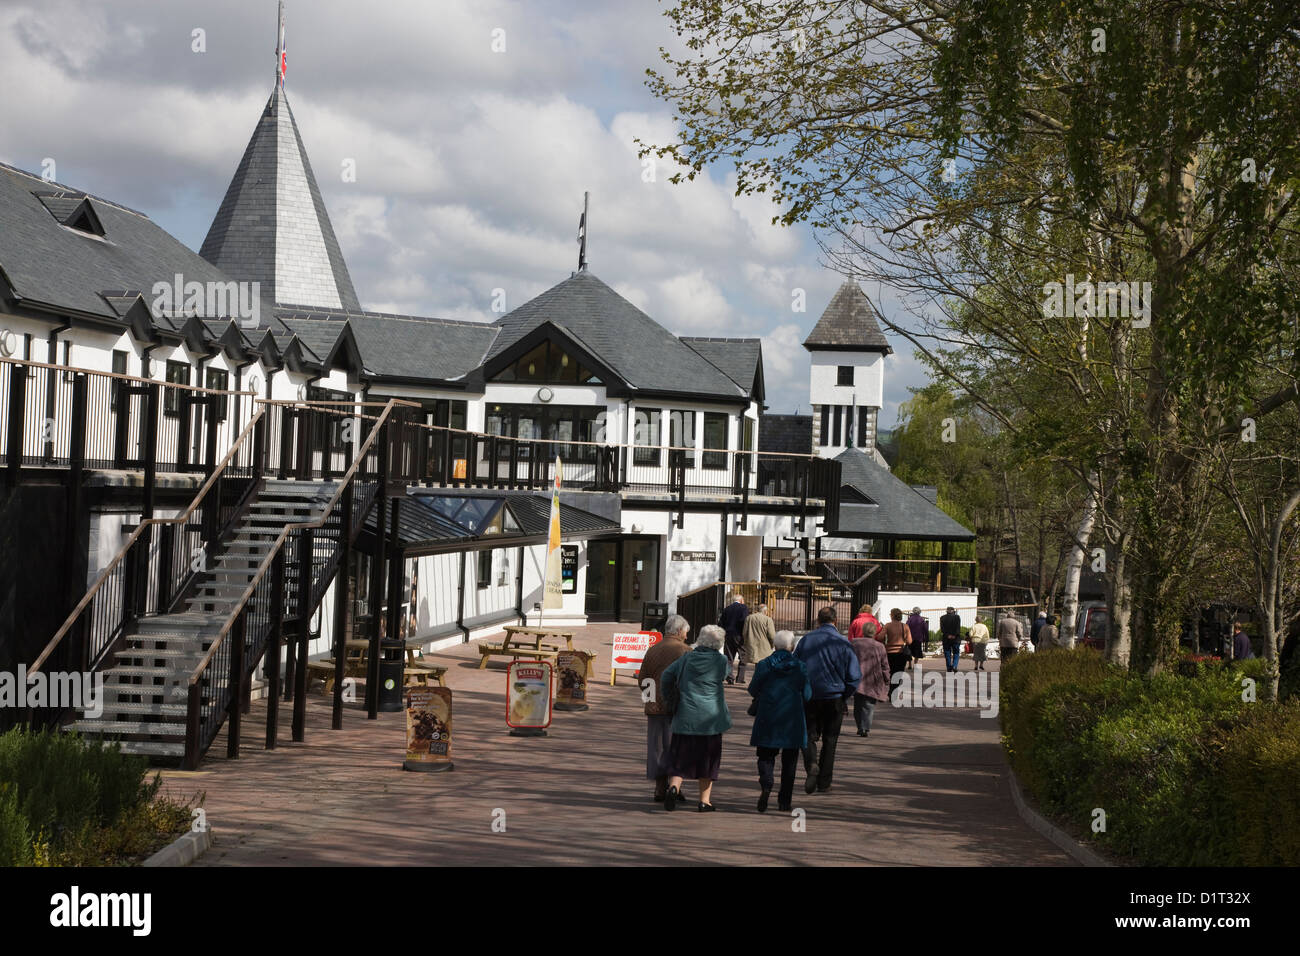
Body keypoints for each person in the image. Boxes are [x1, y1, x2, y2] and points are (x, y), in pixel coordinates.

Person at [660, 624, 733, 811]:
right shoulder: (721, 661)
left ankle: (674, 788)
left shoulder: (686, 658)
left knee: (679, 756)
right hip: (711, 718)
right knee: (708, 760)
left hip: (686, 715)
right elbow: (724, 675)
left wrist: (669, 697)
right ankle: (704, 801)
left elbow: (666, 676)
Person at [792, 607, 861, 793]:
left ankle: (811, 764)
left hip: (810, 696)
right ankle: (824, 782)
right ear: (836, 621)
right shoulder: (843, 643)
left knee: (808, 735)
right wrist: (844, 695)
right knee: (831, 740)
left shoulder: (806, 640)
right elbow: (854, 677)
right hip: (834, 697)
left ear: (817, 621)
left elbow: (795, 666)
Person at [748, 630, 812, 812]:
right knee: (790, 761)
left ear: (774, 646)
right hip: (792, 717)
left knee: (765, 755)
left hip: (768, 715)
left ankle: (767, 785)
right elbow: (807, 694)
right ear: (792, 647)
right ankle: (785, 801)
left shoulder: (764, 665)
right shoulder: (800, 666)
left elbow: (753, 689)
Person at [639, 614, 692, 802]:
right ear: (679, 632)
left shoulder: (652, 650)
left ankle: (660, 788)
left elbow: (643, 679)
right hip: (677, 708)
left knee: (657, 748)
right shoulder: (685, 651)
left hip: (655, 709)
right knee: (676, 748)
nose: (686, 636)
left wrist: (650, 701)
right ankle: (674, 786)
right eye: (685, 632)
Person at [850, 619, 890, 737]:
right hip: (873, 678)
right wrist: (887, 678)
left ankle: (860, 726)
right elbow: (884, 665)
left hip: (857, 677)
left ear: (863, 631)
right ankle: (865, 727)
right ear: (874, 632)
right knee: (869, 705)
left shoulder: (854, 643)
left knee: (858, 704)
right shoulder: (880, 646)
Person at [740, 603, 776, 683]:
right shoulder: (768, 619)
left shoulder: (749, 618)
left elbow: (744, 632)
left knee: (757, 664)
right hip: (764, 646)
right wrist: (772, 645)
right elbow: (772, 635)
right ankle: (760, 682)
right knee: (763, 666)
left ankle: (757, 682)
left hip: (752, 645)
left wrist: (746, 642)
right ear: (765, 611)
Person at [719, 592, 749, 685]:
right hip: (739, 635)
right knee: (743, 656)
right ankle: (740, 678)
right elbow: (744, 621)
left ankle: (729, 677)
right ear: (741, 600)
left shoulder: (727, 609)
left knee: (729, 657)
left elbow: (721, 623)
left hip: (728, 635)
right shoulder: (744, 608)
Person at [881, 607, 911, 678]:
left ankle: (889, 687)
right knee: (898, 674)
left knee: (889, 672)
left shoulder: (887, 625)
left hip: (889, 653)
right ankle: (895, 687)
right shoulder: (905, 626)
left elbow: (880, 637)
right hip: (901, 653)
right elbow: (909, 641)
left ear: (892, 615)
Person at [939, 605, 963, 672]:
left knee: (947, 653)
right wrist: (954, 635)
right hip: (956, 638)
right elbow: (958, 628)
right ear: (953, 611)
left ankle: (949, 667)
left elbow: (942, 629)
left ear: (947, 611)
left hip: (946, 638)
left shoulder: (942, 618)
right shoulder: (957, 617)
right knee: (956, 652)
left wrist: (947, 635)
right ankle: (954, 666)